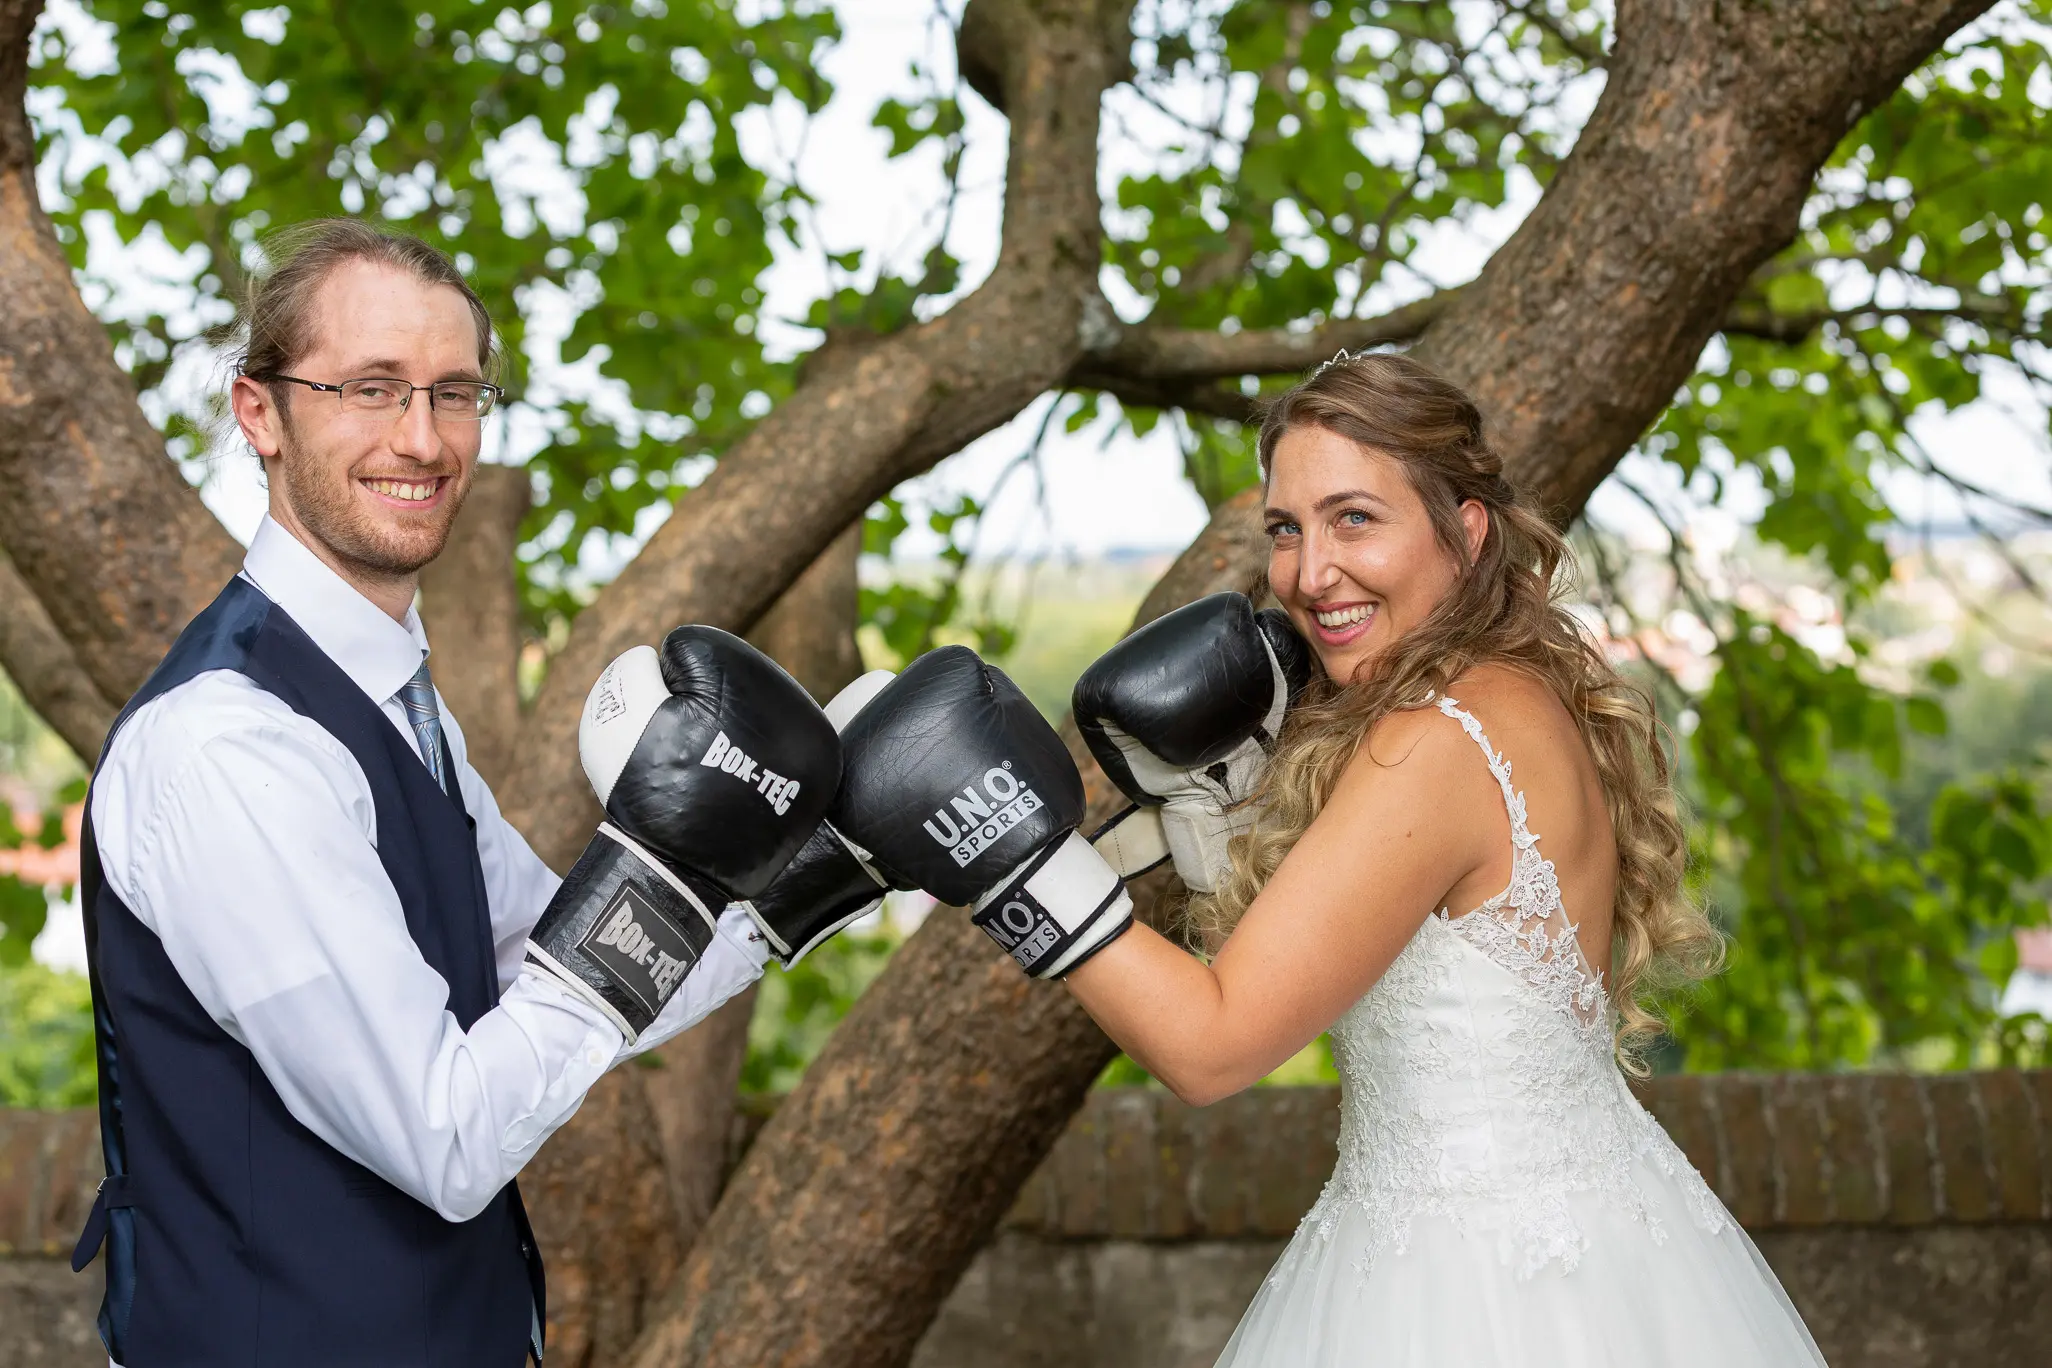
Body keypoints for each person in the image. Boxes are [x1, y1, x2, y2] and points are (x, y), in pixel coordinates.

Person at [805, 352, 1828, 1365]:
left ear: (1464, 533)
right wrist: (1221, 823)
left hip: (1467, 1290)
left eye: (1355, 519)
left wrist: (1015, 866)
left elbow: (1212, 1049)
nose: (1306, 573)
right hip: (1591, 1239)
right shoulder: (1514, 694)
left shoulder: (1431, 743)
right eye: (1287, 529)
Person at [70, 219, 851, 1368]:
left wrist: (826, 868)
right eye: (371, 388)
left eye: (454, 392)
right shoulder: (230, 748)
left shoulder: (390, 699)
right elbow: (447, 1135)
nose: (423, 439)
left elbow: (549, 966)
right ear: (259, 413)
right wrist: (657, 865)